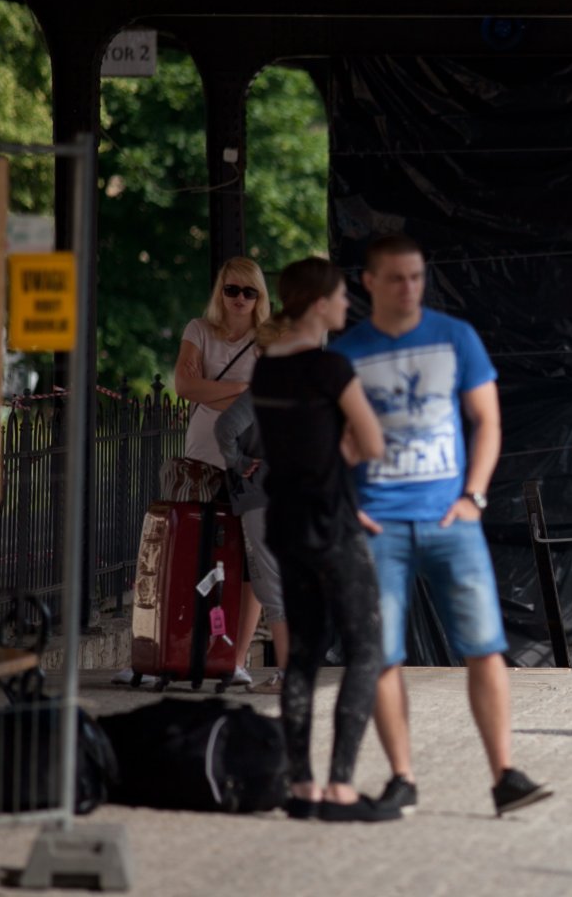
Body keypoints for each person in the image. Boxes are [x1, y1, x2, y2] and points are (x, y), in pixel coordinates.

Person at [329, 234, 551, 818]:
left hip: (452, 518)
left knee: (485, 646)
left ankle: (505, 774)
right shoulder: (347, 352)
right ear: (369, 283)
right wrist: (347, 504)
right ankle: (402, 778)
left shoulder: (456, 338)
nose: (409, 288)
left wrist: (474, 497)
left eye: (417, 277)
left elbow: (488, 421)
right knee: (382, 655)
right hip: (379, 525)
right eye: (397, 278)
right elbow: (326, 439)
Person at [249, 256, 394, 822]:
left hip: (285, 522)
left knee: (303, 656)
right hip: (332, 524)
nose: (344, 306)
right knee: (365, 649)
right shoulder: (331, 367)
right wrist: (347, 457)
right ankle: (340, 787)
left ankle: (302, 786)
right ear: (317, 305)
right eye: (337, 297)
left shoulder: (265, 370)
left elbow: (292, 442)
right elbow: (373, 441)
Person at [115, 257, 269, 687]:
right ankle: (159, 650)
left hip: (248, 463)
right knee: (177, 554)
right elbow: (184, 387)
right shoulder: (198, 330)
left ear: (260, 297)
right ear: (219, 291)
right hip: (199, 462)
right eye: (231, 290)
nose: (239, 299)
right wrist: (242, 393)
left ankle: (233, 658)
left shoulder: (268, 341)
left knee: (248, 565)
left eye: (249, 291)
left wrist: (218, 393)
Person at [214, 388, 288, 693]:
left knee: (270, 585)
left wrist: (237, 461)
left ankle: (288, 675)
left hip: (263, 495)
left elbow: (226, 426)